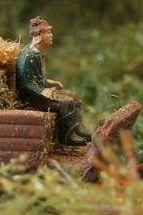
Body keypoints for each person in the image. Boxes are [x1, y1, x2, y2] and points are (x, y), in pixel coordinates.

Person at [15, 17, 90, 146]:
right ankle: (67, 136)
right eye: (48, 33)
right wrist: (45, 92)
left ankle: (77, 129)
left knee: (74, 97)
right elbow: (26, 85)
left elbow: (37, 77)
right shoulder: (29, 56)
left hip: (38, 91)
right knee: (66, 103)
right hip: (31, 97)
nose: (51, 35)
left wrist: (50, 82)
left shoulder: (37, 52)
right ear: (39, 35)